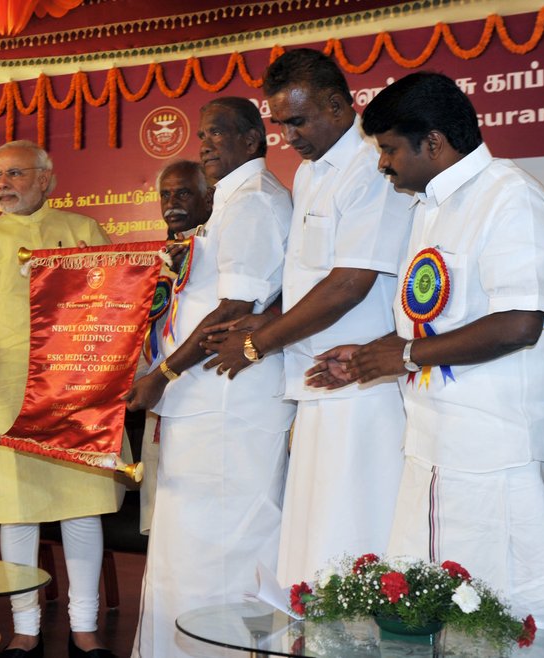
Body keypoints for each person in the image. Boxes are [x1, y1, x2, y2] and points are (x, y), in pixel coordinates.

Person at [306, 71, 544, 633]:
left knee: (514, 611)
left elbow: (519, 323)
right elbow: (441, 324)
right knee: (434, 604)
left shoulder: (510, 198)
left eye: (389, 150)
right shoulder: (430, 208)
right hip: (436, 442)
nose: (383, 165)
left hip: (500, 443)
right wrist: (370, 355)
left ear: (433, 143)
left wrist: (406, 355)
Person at [201, 49, 413, 587]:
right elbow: (309, 276)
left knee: (359, 536)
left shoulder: (372, 167)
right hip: (315, 379)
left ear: (339, 105)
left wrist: (259, 343)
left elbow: (349, 284)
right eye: (280, 124)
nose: (288, 136)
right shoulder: (309, 172)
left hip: (364, 383)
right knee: (317, 540)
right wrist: (269, 318)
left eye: (298, 120)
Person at [126, 98, 296, 658]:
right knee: (189, 548)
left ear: (252, 139)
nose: (204, 145)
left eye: (217, 133)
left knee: (227, 550)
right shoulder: (230, 201)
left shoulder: (253, 202)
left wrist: (163, 373)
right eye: (202, 135)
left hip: (230, 401)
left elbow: (234, 309)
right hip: (207, 401)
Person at [0, 140, 121, 658]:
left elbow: (113, 308)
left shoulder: (83, 229)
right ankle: (26, 628)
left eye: (15, 173)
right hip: (6, 392)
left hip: (78, 390)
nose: (2, 184)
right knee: (16, 510)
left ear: (46, 178)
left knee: (82, 509)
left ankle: (84, 628)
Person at [137, 159, 215, 536]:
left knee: (203, 516)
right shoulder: (153, 260)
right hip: (159, 396)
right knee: (163, 516)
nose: (172, 203)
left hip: (208, 394)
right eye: (165, 195)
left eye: (183, 193)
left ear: (208, 197)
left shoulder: (218, 250)